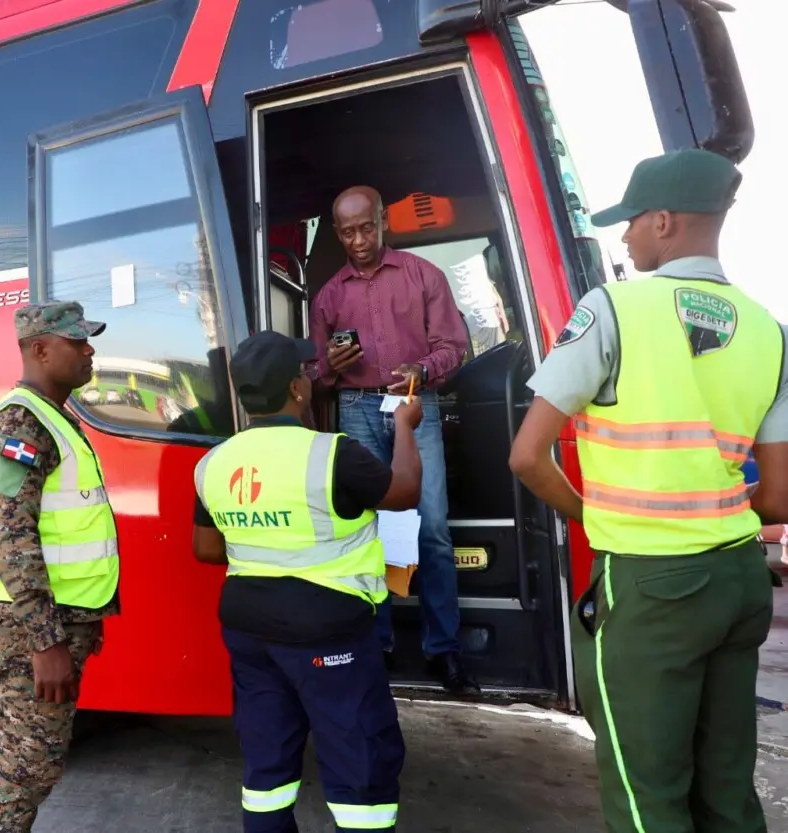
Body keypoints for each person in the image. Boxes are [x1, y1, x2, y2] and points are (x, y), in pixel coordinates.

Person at [507, 147, 788, 833]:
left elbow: (527, 454)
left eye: (629, 221)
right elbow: (778, 500)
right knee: (727, 791)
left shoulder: (613, 309)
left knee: (646, 798)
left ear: (663, 221)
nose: (624, 236)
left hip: (650, 591)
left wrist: (590, 513)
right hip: (739, 582)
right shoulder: (769, 330)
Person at [192, 329, 424, 833]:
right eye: (303, 372)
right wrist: (406, 426)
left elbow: (207, 549)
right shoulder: (331, 454)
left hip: (249, 631)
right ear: (297, 389)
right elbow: (404, 491)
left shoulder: (213, 463)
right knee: (358, 754)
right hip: (328, 631)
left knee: (267, 759)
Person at [309, 184, 478, 695]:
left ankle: (444, 651)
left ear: (384, 220)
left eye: (367, 227)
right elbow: (313, 376)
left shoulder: (424, 276)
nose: (359, 240)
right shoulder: (329, 296)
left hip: (412, 404)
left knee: (432, 530)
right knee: (366, 535)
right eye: (347, 232)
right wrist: (327, 369)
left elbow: (457, 347)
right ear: (337, 233)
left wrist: (421, 370)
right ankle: (376, 647)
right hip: (356, 410)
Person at [0, 300, 121, 833]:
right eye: (76, 342)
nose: (89, 349)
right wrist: (45, 641)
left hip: (51, 621)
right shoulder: (20, 423)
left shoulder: (52, 417)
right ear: (40, 349)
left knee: (29, 766)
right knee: (25, 773)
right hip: (28, 629)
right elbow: (10, 537)